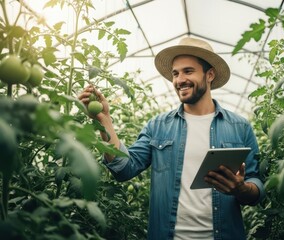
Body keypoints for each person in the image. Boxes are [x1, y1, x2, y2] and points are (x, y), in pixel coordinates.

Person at [78, 37, 265, 240]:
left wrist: (242, 189)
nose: (179, 80)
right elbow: (124, 169)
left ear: (209, 74)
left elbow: (256, 186)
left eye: (188, 71)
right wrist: (104, 121)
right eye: (175, 73)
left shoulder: (239, 127)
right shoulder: (158, 126)